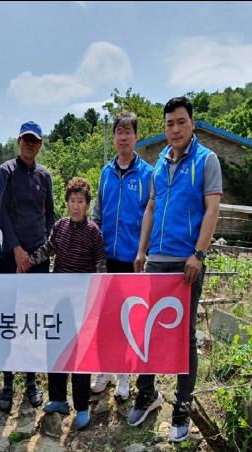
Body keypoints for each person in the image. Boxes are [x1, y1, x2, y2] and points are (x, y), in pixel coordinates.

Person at [127, 96, 222, 443]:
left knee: (184, 335)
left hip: (187, 263)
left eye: (181, 122)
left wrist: (199, 253)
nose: (176, 129)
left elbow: (212, 210)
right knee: (148, 330)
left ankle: (182, 406)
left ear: (192, 123)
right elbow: (151, 208)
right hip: (157, 260)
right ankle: (147, 393)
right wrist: (142, 249)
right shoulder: (159, 164)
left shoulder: (206, 160)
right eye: (170, 124)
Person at [29, 177, 105, 430]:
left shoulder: (93, 231)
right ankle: (58, 399)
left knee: (80, 354)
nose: (75, 206)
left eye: (80, 201)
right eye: (72, 201)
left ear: (87, 205)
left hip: (82, 303)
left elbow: (100, 265)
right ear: (67, 203)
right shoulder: (60, 226)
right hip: (59, 301)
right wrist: (27, 261)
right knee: (56, 348)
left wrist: (100, 296)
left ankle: (81, 406)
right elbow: (48, 249)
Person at [90, 111, 153, 402]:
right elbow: (97, 215)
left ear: (136, 137)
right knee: (105, 317)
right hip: (106, 258)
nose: (123, 137)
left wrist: (143, 251)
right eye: (119, 132)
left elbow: (151, 216)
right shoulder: (105, 173)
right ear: (114, 137)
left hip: (133, 260)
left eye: (128, 132)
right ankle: (104, 370)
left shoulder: (147, 174)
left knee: (129, 317)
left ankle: (125, 374)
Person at [0, 121, 55, 412]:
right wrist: (17, 249)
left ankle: (31, 380)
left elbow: (50, 216)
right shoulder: (6, 171)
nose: (30, 144)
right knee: (8, 318)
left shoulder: (45, 176)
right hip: (11, 257)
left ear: (40, 144)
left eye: (35, 141)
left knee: (33, 319)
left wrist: (41, 251)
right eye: (26, 139)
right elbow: (2, 213)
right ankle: (7, 383)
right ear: (18, 141)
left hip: (39, 259)